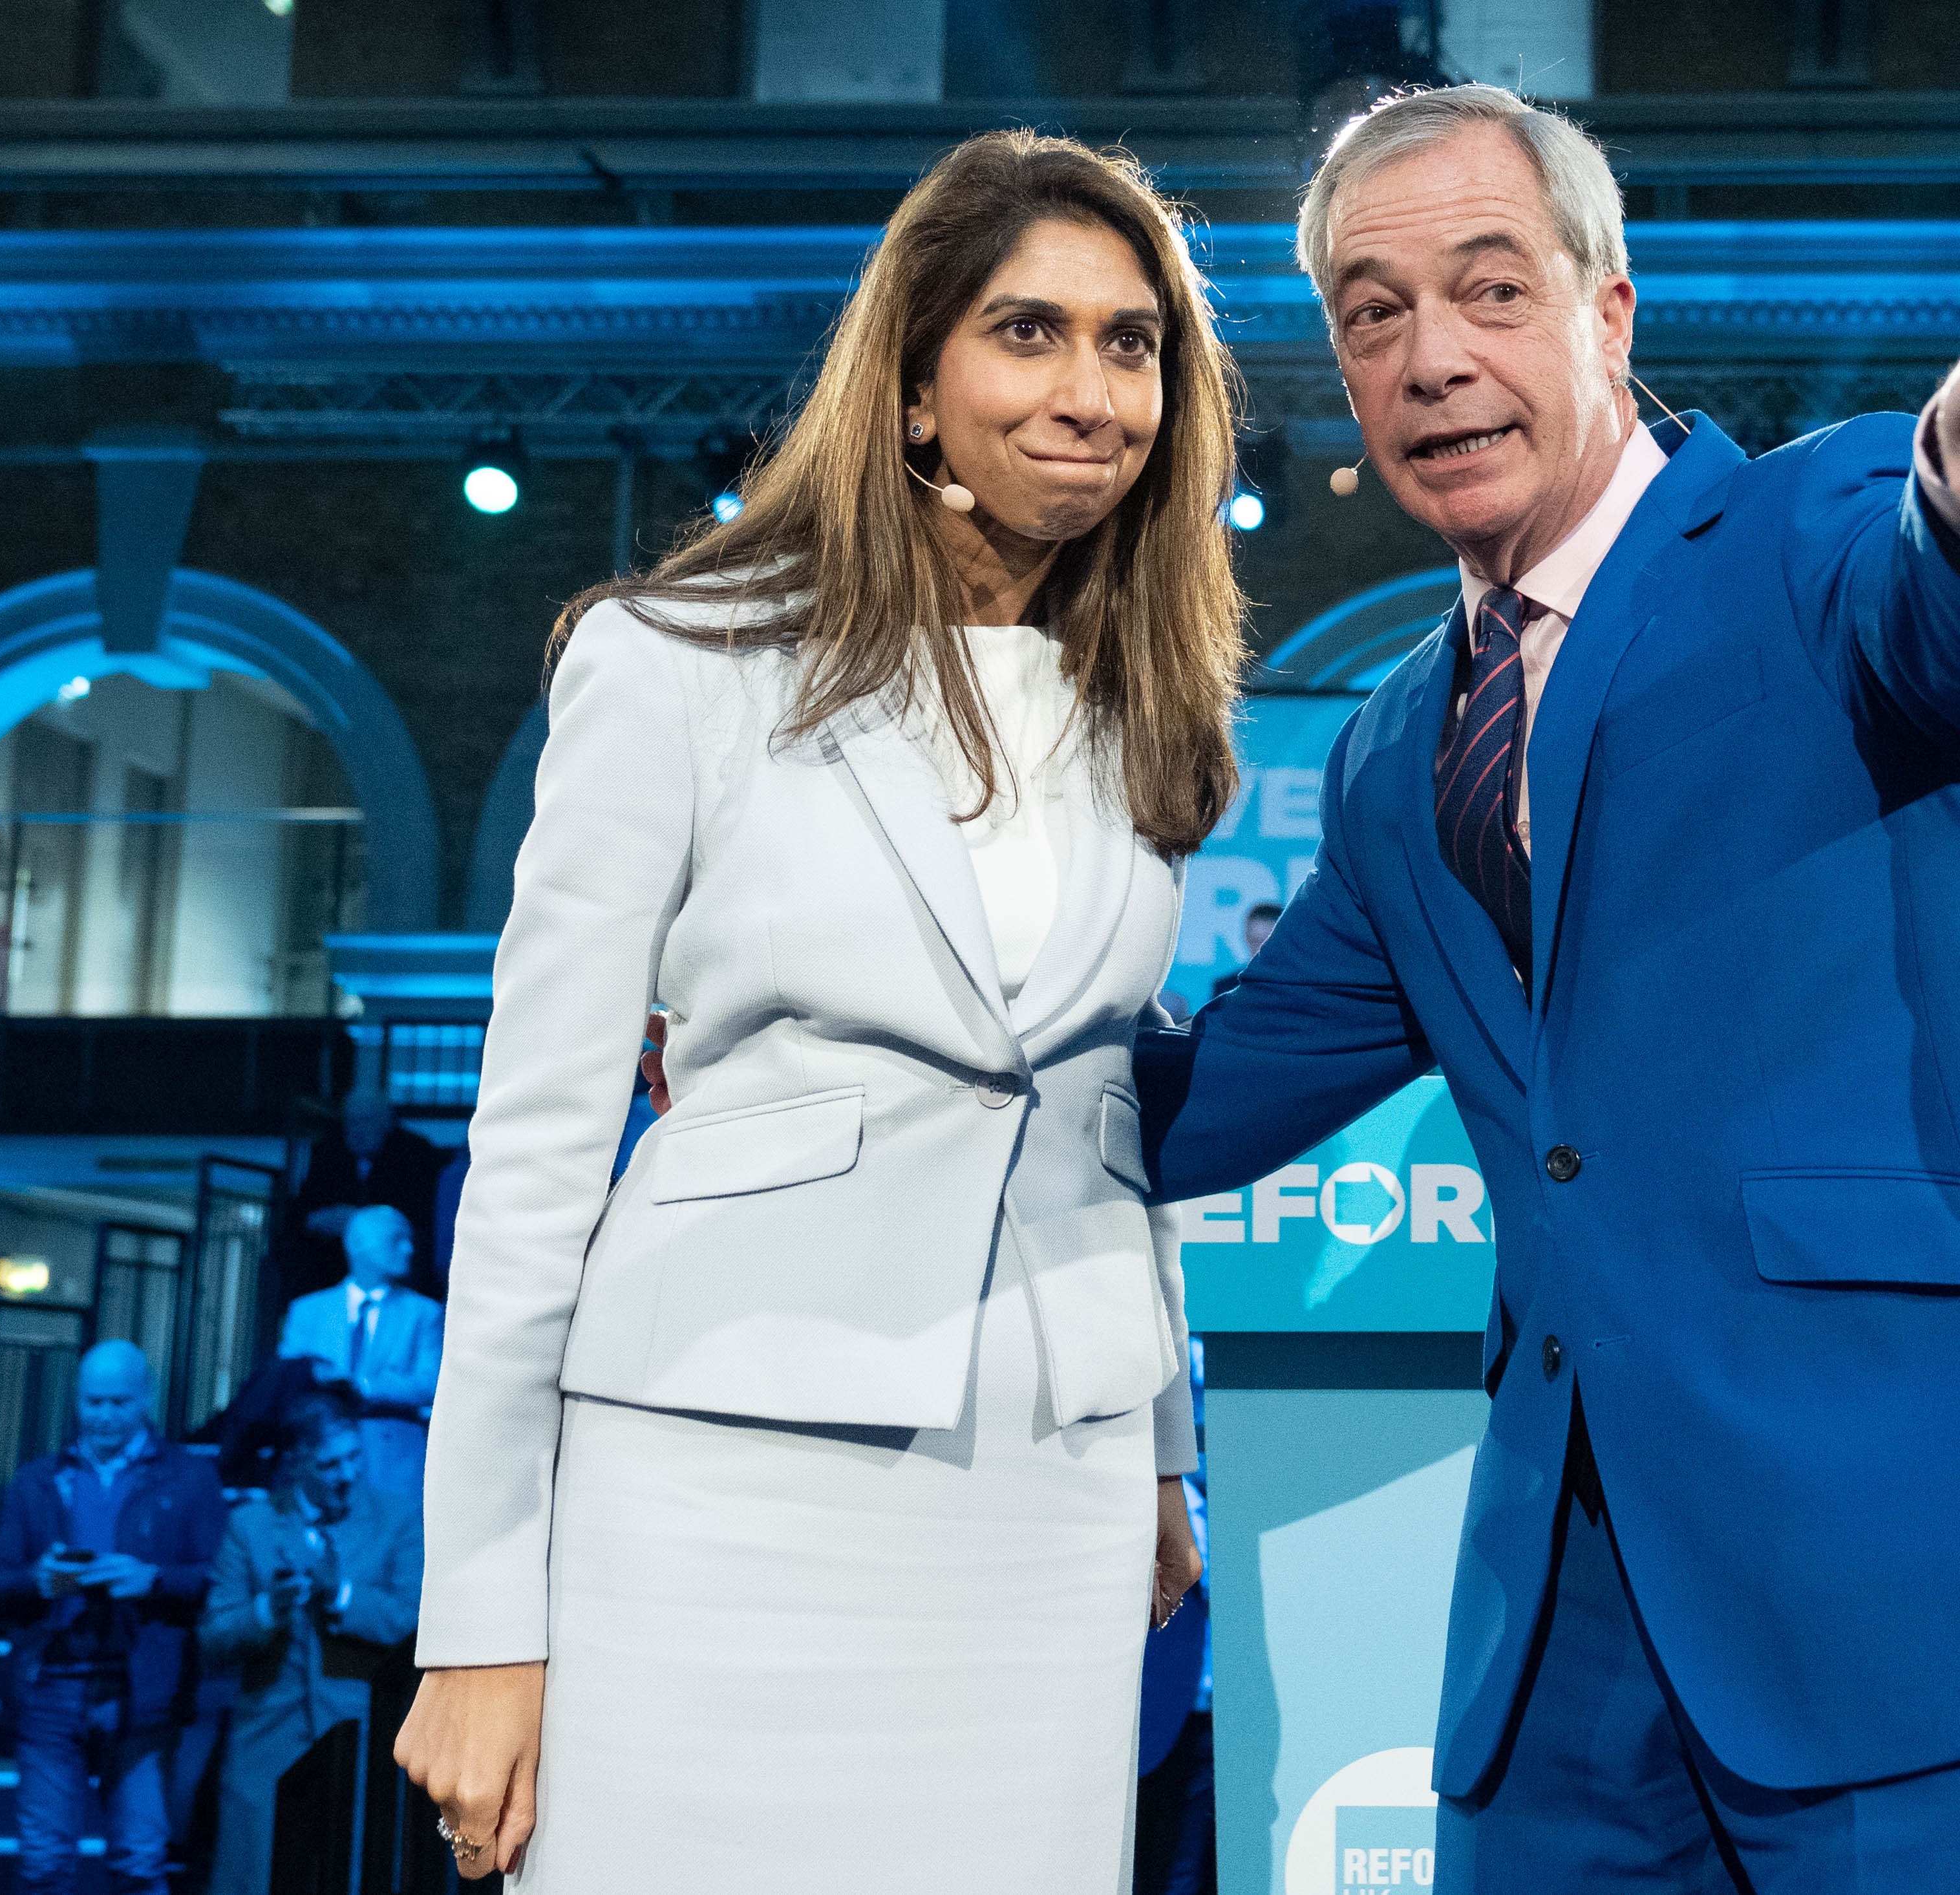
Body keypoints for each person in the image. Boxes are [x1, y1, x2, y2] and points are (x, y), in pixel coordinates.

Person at [1129, 81, 1960, 1892]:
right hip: (1564, 1662)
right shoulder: (1390, 753)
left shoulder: (1819, 526)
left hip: (1931, 1581)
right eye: (1371, 312)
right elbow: (1192, 1105)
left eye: (1491, 290)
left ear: (1610, 311)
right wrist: (839, 1030)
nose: (1430, 357)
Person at [401, 133, 1227, 1889]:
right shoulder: (674, 659)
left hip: (1051, 1499)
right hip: (715, 1473)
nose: (1090, 393)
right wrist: (476, 1611)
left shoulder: (1144, 697)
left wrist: (1159, 1446)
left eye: (1131, 344)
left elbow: (1110, 1105)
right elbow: (534, 1155)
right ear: (914, 383)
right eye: (1027, 332)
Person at [0, 1341, 227, 1895]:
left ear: (146, 1399)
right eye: (94, 1401)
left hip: (141, 1689)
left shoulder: (186, 1477)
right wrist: (40, 1579)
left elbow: (220, 1575)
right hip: (52, 1685)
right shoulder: (40, 1479)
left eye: (119, 1401)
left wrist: (153, 1578)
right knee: (44, 1863)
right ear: (77, 1399)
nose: (106, 1415)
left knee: (139, 1860)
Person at [203, 1392, 423, 1895]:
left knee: (354, 1873)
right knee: (254, 1877)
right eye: (330, 1464)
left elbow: (412, 1620)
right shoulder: (252, 1525)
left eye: (354, 1456)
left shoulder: (398, 1518)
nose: (348, 1474)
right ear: (297, 1462)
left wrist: (341, 1593)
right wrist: (267, 1609)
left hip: (362, 1733)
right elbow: (213, 1637)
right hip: (268, 1737)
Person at [275, 1204, 443, 1496]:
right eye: (396, 1239)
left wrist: (363, 1386)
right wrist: (321, 1379)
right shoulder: (308, 1311)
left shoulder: (423, 1313)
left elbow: (432, 1383)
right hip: (321, 1460)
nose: (409, 1249)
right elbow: (287, 1378)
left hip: (394, 1466)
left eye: (409, 1240)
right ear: (359, 1246)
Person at [289, 1082, 446, 1296]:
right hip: (334, 1254)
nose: (358, 1130)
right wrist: (315, 1219)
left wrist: (359, 1219)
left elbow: (421, 1214)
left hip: (392, 1250)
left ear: (386, 1123)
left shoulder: (415, 1153)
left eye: (366, 1121)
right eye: (352, 1122)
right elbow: (305, 1205)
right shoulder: (330, 1151)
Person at [1208, 899, 1284, 1003]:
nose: (1260, 950)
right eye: (1255, 942)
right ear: (1246, 939)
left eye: (1267, 942)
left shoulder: (1302, 987)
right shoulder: (1225, 988)